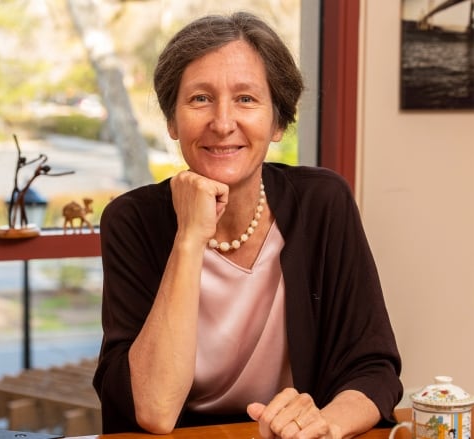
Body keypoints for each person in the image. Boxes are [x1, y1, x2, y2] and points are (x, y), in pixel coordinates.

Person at [93, 11, 402, 438]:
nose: (222, 123)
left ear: (278, 121)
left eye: (246, 99)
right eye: (200, 99)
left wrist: (318, 427)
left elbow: (374, 370)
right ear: (171, 121)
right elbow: (154, 409)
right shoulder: (132, 221)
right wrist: (189, 238)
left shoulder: (322, 202)